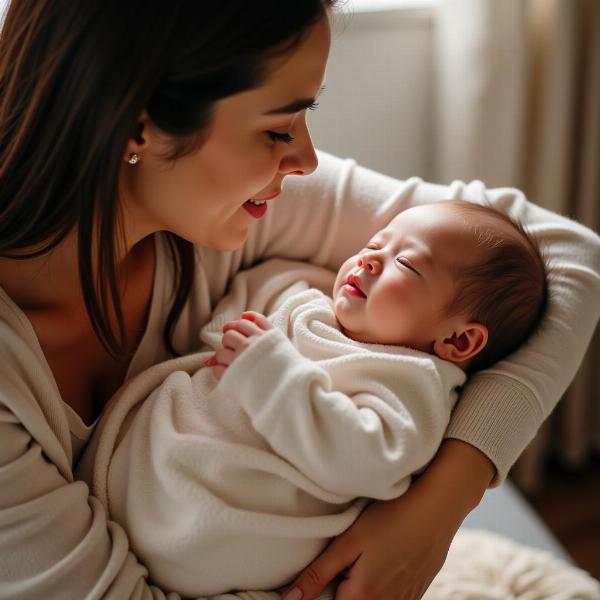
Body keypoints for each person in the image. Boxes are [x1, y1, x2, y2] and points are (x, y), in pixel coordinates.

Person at [0, 1, 598, 599]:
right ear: (137, 125)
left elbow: (566, 253)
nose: (307, 160)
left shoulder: (220, 211)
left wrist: (437, 507)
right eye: (277, 130)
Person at [77, 200, 549, 597]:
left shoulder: (411, 381)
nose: (368, 259)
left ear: (459, 342)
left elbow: (370, 458)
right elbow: (224, 330)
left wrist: (269, 373)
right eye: (374, 244)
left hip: (220, 536)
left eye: (405, 264)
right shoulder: (304, 293)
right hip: (136, 476)